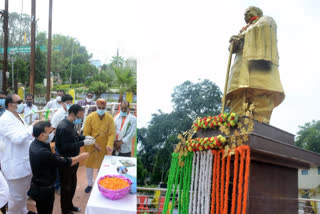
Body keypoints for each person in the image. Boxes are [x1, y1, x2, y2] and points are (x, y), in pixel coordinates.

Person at [227, 6, 285, 124]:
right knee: (238, 95)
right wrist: (234, 42)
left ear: (257, 12)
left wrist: (243, 35)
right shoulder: (243, 29)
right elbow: (232, 49)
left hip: (258, 64)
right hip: (240, 64)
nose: (245, 14)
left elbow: (264, 28)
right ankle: (236, 123)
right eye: (244, 13)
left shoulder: (266, 20)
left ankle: (261, 124)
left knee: (260, 93)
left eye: (248, 11)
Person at [29, 121, 89, 214]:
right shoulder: (42, 152)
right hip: (44, 189)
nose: (52, 134)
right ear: (41, 135)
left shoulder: (36, 144)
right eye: (49, 133)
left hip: (40, 184)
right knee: (45, 210)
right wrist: (81, 157)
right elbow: (65, 162)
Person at [55, 104, 96, 214]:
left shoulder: (71, 124)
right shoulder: (64, 127)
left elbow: (75, 137)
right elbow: (64, 147)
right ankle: (65, 210)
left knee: (72, 185)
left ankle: (70, 205)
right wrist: (83, 143)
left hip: (74, 160)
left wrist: (85, 137)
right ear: (72, 114)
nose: (81, 118)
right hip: (66, 161)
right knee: (66, 187)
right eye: (80, 116)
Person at [0, 94, 36, 214]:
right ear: (10, 105)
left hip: (25, 162)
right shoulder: (4, 120)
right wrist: (33, 127)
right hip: (14, 165)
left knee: (23, 193)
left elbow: (26, 136)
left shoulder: (18, 116)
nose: (23, 104)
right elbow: (17, 138)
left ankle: (23, 211)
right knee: (15, 197)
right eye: (19, 102)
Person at [83, 98, 115, 193]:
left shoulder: (110, 118)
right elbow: (86, 132)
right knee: (89, 166)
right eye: (99, 107)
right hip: (90, 145)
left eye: (103, 107)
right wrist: (93, 143)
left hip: (103, 146)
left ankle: (99, 183)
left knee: (101, 166)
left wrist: (109, 144)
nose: (101, 109)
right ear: (96, 107)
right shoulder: (90, 117)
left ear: (106, 107)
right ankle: (89, 184)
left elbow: (111, 133)